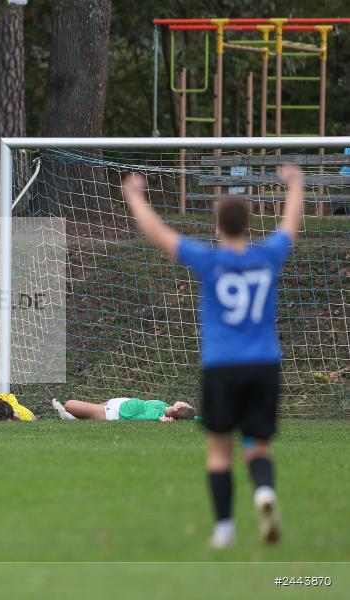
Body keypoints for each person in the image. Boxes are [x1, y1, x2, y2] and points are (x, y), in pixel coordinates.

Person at [122, 164, 304, 548]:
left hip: (222, 366)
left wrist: (135, 196)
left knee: (219, 451)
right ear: (249, 226)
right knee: (257, 444)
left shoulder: (211, 260)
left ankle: (224, 529)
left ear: (218, 227)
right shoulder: (267, 256)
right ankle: (264, 494)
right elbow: (289, 226)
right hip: (263, 364)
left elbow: (159, 234)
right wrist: (295, 185)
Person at [52, 397, 195, 422]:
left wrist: (157, 419)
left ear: (179, 407)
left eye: (185, 403)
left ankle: (70, 416)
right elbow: (192, 417)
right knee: (85, 412)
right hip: (120, 402)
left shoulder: (157, 414)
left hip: (114, 413)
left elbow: (134, 418)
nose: (184, 401)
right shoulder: (165, 406)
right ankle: (72, 419)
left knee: (70, 405)